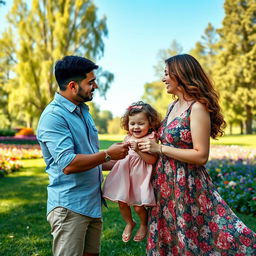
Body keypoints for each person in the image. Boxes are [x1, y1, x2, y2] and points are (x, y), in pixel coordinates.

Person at [138, 54, 256, 255]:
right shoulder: (172, 106)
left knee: (205, 232)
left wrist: (160, 149)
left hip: (188, 183)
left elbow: (201, 155)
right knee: (170, 233)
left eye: (167, 74)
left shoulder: (198, 107)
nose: (163, 78)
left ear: (180, 75)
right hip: (165, 183)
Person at [36, 56, 129, 256]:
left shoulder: (82, 111)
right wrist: (106, 154)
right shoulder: (54, 117)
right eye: (90, 82)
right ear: (72, 86)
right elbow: (68, 164)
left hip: (91, 203)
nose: (95, 86)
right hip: (69, 207)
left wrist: (128, 159)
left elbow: (91, 160)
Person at [103, 101, 161, 243]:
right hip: (125, 175)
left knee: (138, 207)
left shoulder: (151, 138)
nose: (136, 127)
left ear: (150, 123)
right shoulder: (128, 137)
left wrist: (138, 150)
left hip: (139, 177)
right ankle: (129, 223)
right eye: (132, 123)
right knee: (122, 203)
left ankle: (143, 224)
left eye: (141, 123)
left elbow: (152, 161)